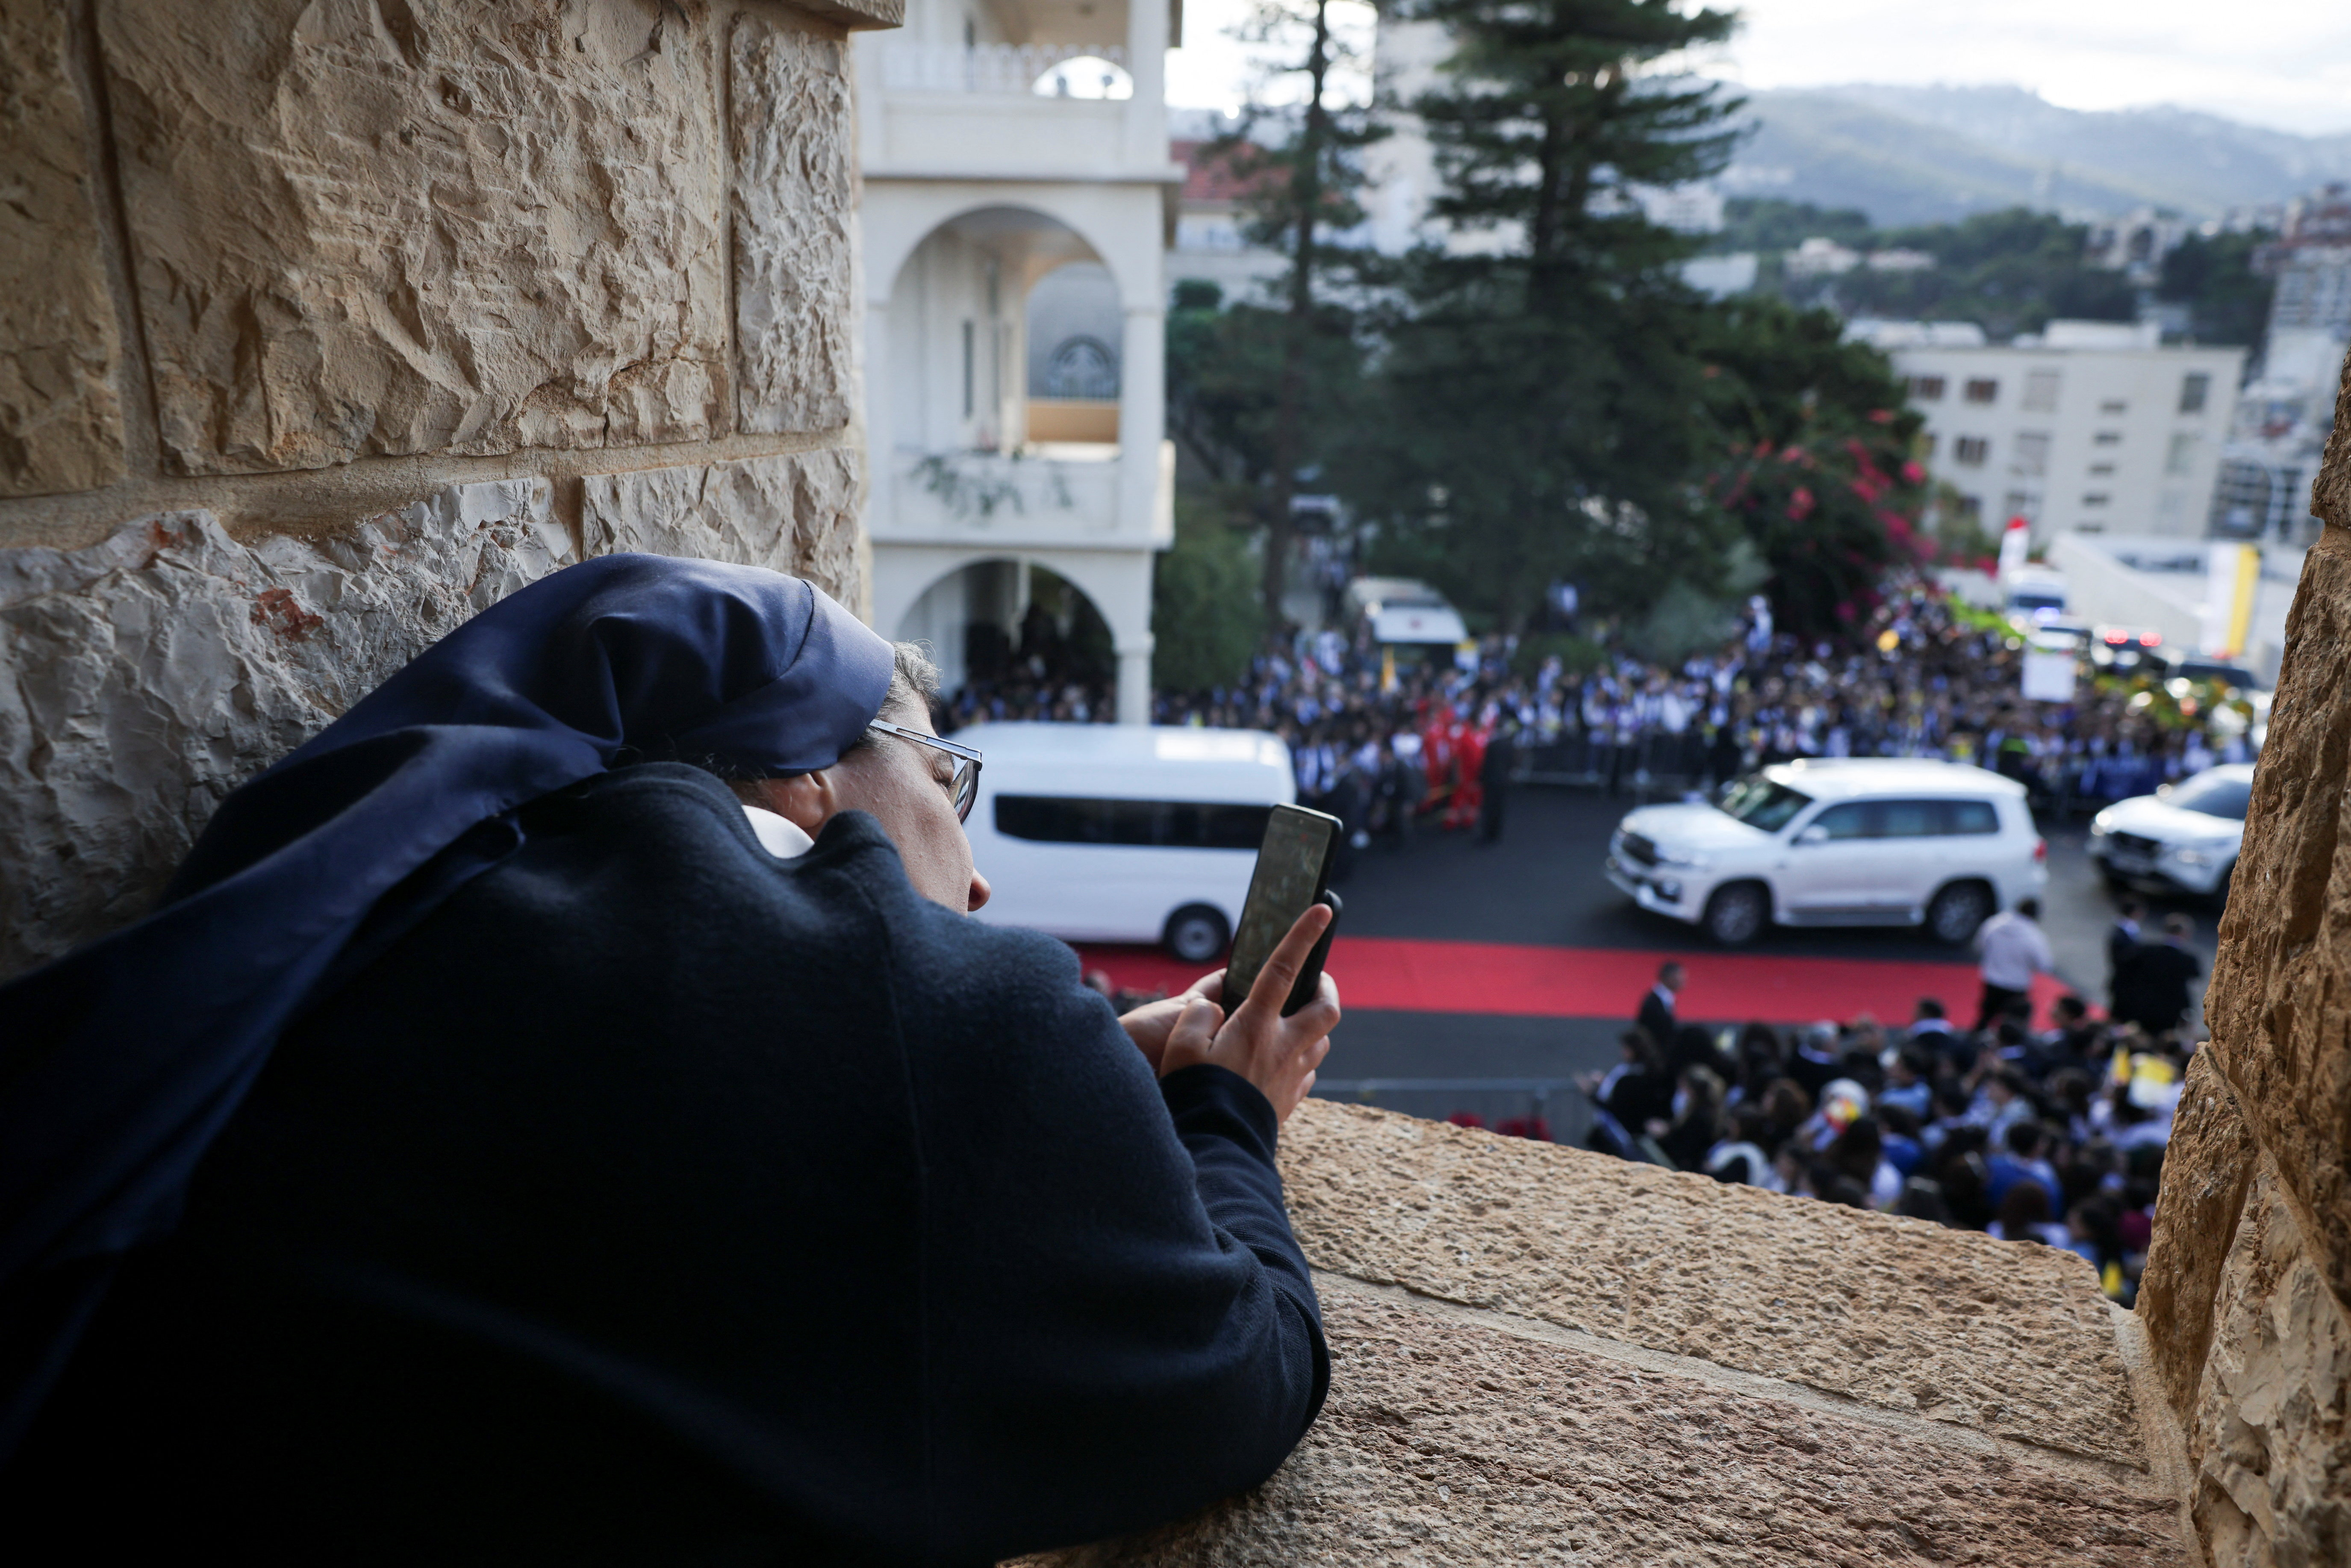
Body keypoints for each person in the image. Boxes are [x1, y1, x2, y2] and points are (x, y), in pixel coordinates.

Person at [0, 558, 1340, 1562]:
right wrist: (1228, 1109)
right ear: (809, 773)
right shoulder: (936, 1012)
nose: (978, 881)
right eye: (949, 782)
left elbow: (763, 1129)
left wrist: (1077, 1071)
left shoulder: (433, 897)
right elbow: (1236, 1376)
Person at [1972, 897, 2053, 1032]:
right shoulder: (2035, 937)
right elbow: (2045, 965)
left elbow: (1979, 946)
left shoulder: (1993, 924)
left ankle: (1972, 1045)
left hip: (1991, 980)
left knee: (1985, 1017)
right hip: (2017, 985)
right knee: (2013, 1026)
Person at [2118, 913, 2203, 1038]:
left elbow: (2126, 968)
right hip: (2170, 1011)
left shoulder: (2147, 950)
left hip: (2142, 1006)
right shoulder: (2188, 960)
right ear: (2185, 934)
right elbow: (2196, 976)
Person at [1638, 961, 1684, 1051]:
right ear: (1669, 978)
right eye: (1680, 975)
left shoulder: (1666, 999)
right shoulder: (1653, 1003)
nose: (1683, 979)